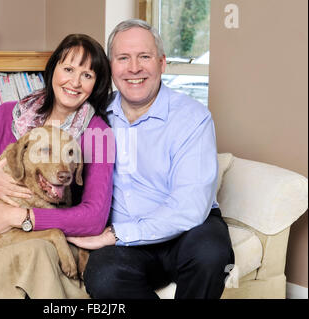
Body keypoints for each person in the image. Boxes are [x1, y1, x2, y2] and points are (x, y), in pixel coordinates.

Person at [67, 19, 235, 299]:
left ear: (162, 63)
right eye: (123, 58)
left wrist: (117, 235)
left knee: (210, 254)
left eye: (144, 57)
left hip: (187, 232)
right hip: (129, 246)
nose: (134, 68)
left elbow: (190, 207)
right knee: (103, 275)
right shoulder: (94, 117)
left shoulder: (192, 117)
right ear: (110, 66)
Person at [0, 34, 115, 298]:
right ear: (53, 68)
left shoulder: (99, 134)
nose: (74, 82)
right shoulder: (6, 115)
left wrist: (22, 218)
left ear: (96, 83)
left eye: (87, 75)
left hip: (48, 241)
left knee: (28, 254)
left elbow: (94, 218)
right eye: (68, 69)